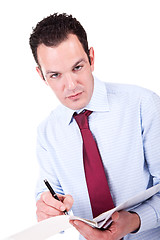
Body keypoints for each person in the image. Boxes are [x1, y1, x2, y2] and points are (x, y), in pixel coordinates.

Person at [29, 13, 160, 239]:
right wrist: (48, 208)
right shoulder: (47, 132)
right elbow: (50, 194)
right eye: (55, 75)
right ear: (41, 75)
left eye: (77, 67)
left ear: (91, 57)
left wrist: (134, 221)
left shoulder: (143, 105)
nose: (70, 86)